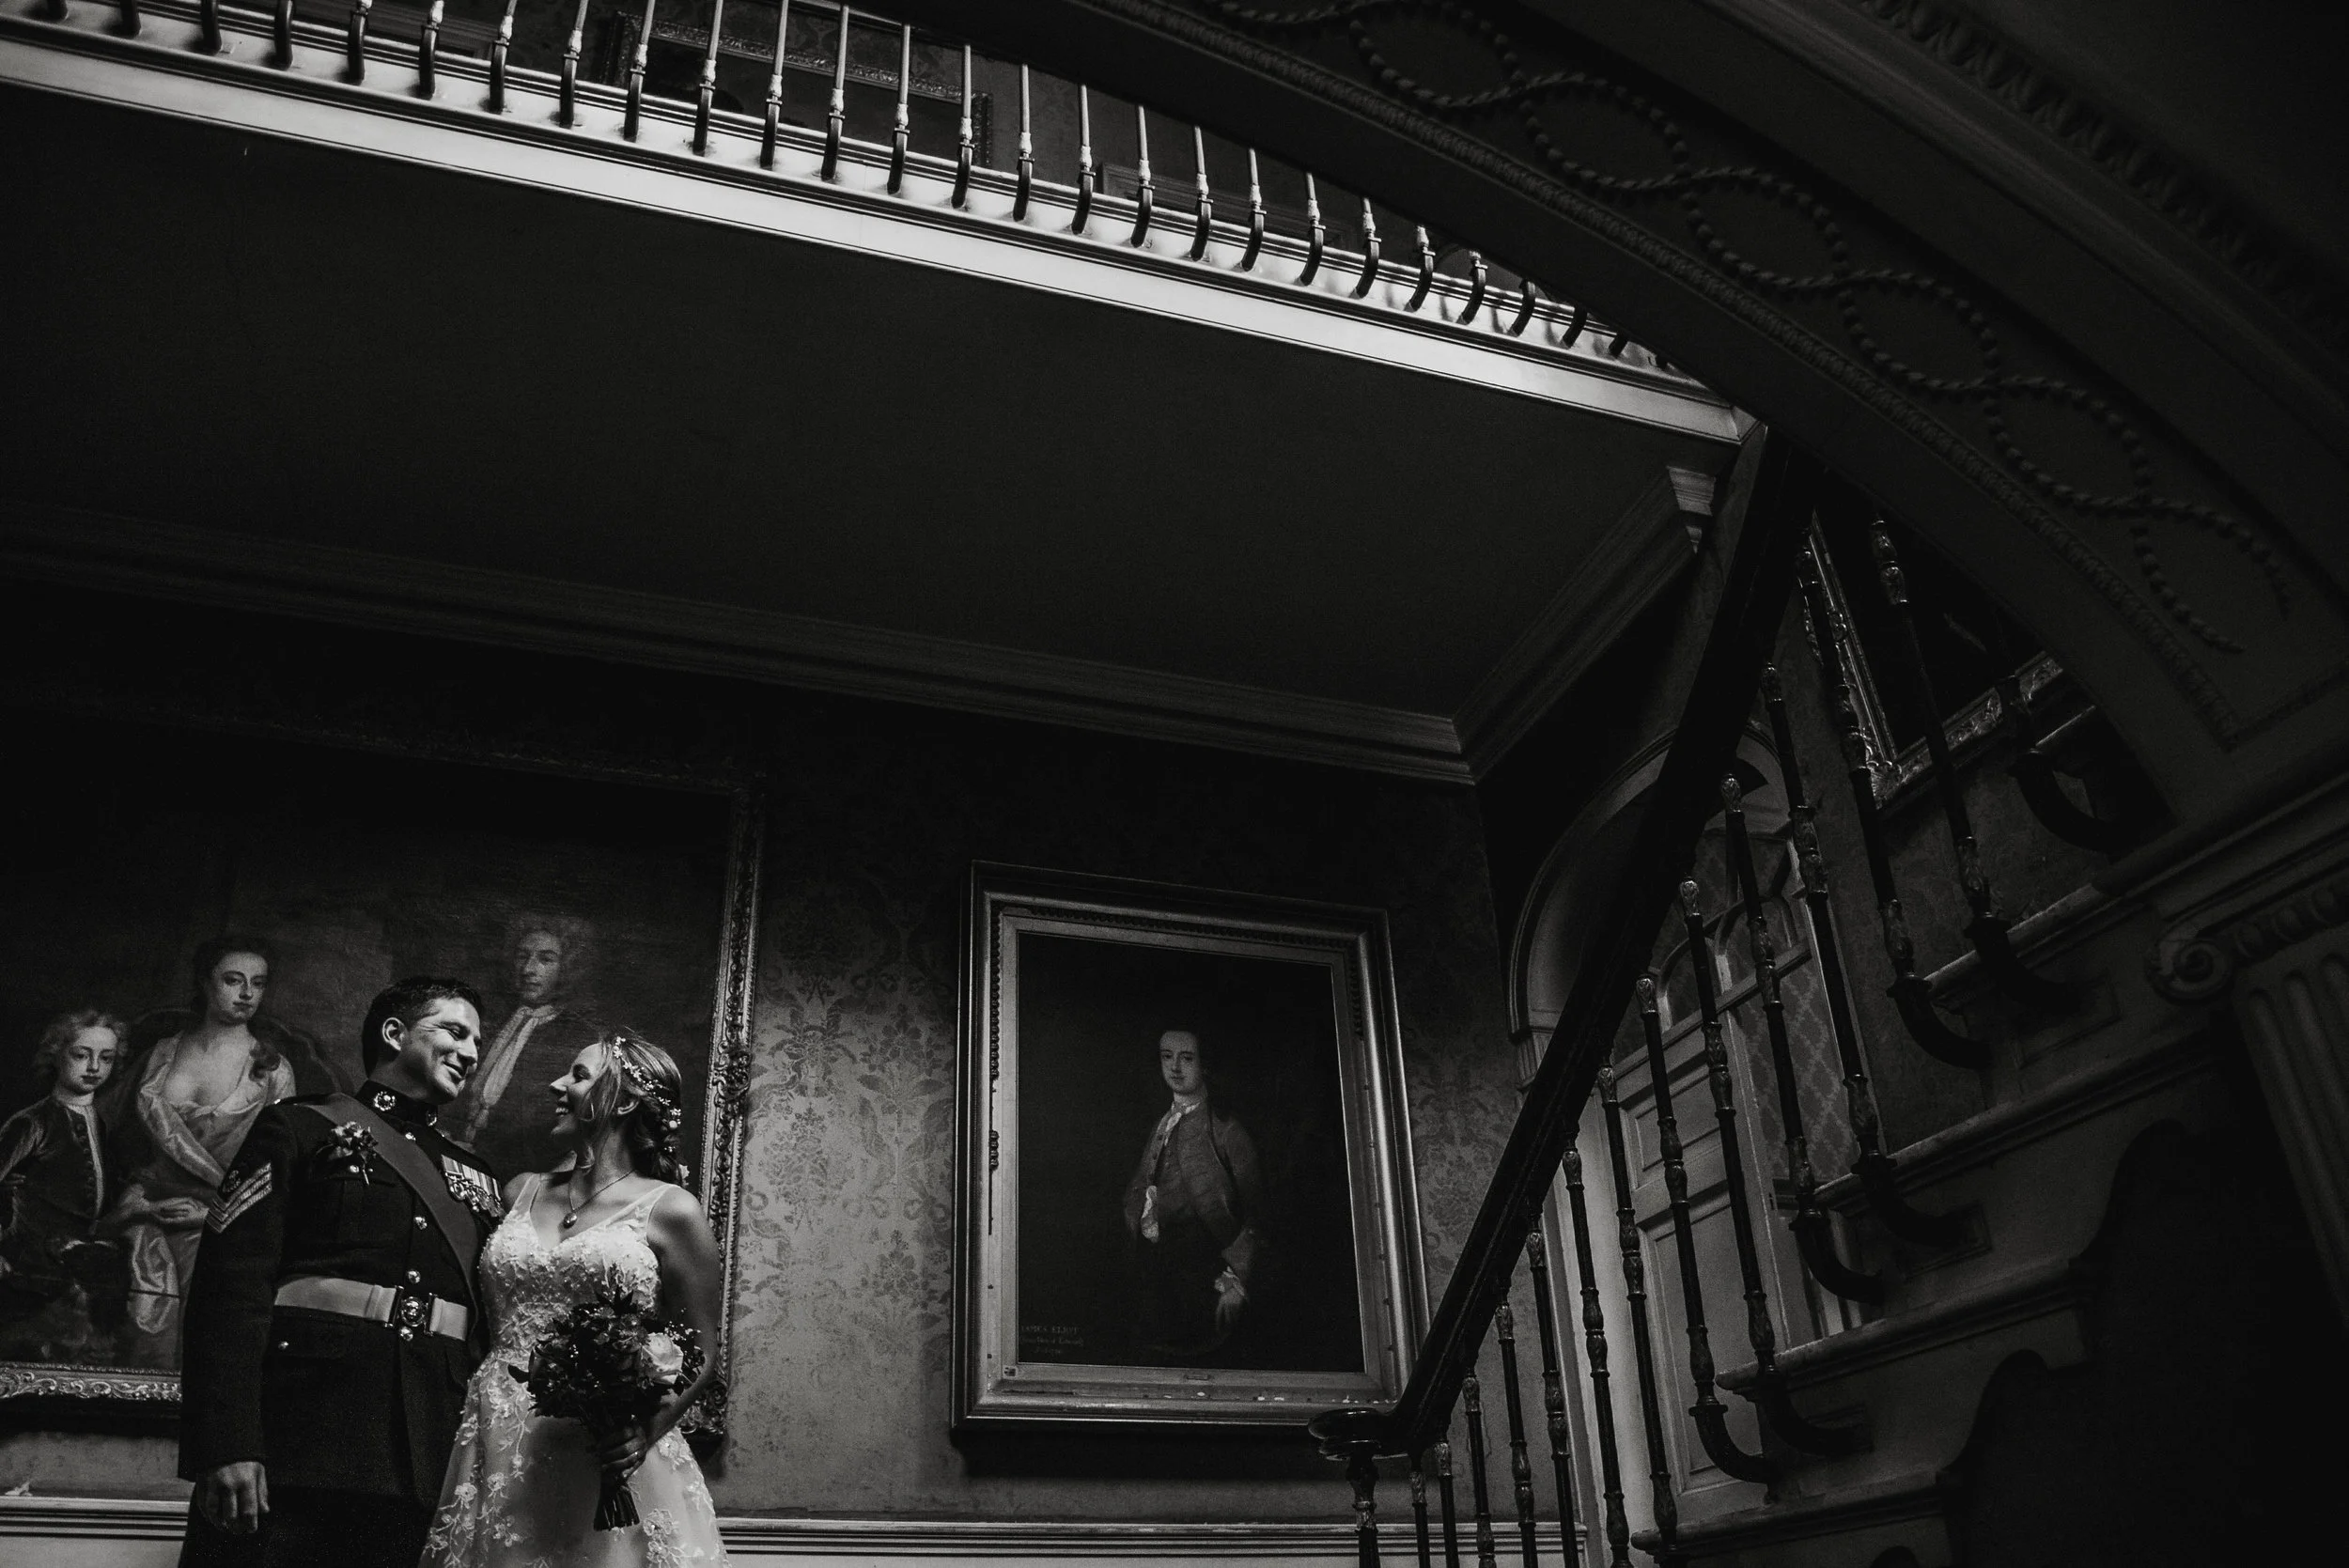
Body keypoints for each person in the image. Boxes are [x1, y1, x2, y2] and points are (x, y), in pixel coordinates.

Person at [177, 976, 501, 1568]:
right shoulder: (299, 1128)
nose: (472, 1053)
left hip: (424, 1450)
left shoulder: (474, 1176)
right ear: (394, 1034)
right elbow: (229, 1291)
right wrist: (226, 1444)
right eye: (454, 1032)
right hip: (299, 1439)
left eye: (477, 1041)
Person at [424, 1030, 727, 1568]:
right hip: (499, 1430)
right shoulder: (520, 1190)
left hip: (603, 1444)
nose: (556, 1084)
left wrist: (640, 1435)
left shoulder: (672, 1210)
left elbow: (700, 1350)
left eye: (579, 1076)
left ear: (626, 1100)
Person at [107, 940, 299, 1365]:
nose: (246, 994)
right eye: (233, 980)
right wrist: (145, 1207)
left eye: (258, 984)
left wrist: (212, 1213)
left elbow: (275, 1171)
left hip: (223, 1220)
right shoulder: (163, 1053)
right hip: (145, 1210)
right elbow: (112, 1138)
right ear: (205, 983)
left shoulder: (274, 1070)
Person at [1120, 1029, 1265, 1360]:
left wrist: (1238, 1279)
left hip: (1208, 1281)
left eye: (1187, 1058)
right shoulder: (1162, 1124)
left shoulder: (1228, 1132)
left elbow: (1259, 1215)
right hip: (1157, 1281)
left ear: (1205, 1064)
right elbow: (1137, 1192)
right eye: (1166, 1056)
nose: (1175, 1067)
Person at [0, 1010, 132, 1357]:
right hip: (34, 1269)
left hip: (83, 1267)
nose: (94, 1067)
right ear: (56, 1054)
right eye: (81, 1054)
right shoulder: (34, 1121)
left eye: (106, 1058)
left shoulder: (101, 1122)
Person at [448, 917, 602, 1179]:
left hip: (518, 1174)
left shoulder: (577, 1036)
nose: (528, 969)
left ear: (567, 968)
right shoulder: (491, 1019)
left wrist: (482, 1154)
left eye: (545, 959)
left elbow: (547, 1131)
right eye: (523, 956)